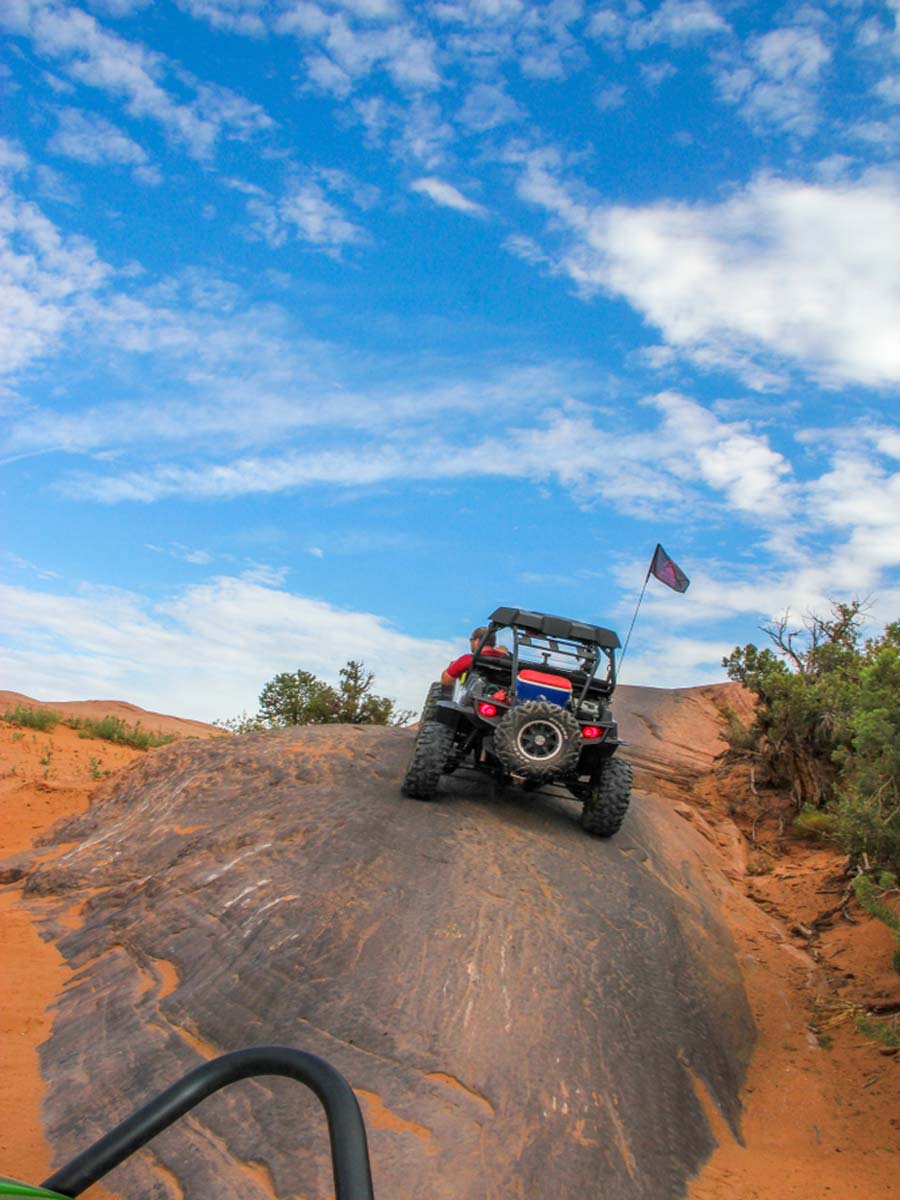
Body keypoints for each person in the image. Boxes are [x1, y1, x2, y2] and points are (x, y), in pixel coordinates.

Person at [441, 627, 508, 686]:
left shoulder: (468, 659)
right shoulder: (509, 662)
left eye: (471, 639)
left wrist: (453, 665)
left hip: (475, 699)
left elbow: (445, 680)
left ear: (477, 641)